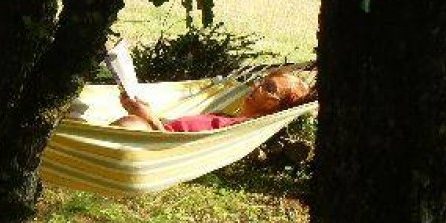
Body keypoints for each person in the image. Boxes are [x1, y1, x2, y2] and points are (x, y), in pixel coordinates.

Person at [113, 70, 314, 132]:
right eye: (261, 82)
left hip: (156, 143)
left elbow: (178, 145)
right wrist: (146, 114)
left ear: (275, 105)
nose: (256, 86)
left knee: (130, 124)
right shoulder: (225, 117)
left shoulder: (238, 130)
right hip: (153, 135)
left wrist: (149, 119)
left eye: (268, 88)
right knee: (132, 121)